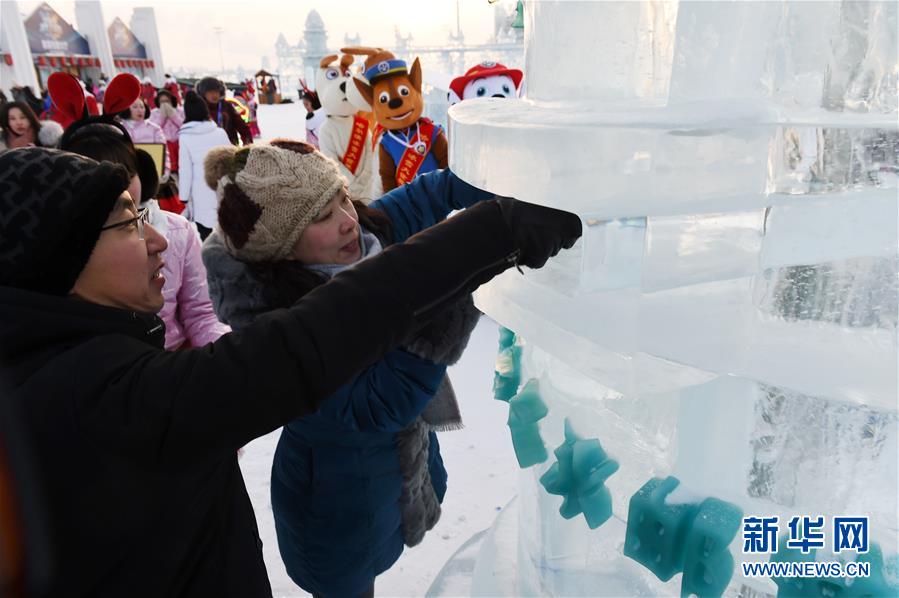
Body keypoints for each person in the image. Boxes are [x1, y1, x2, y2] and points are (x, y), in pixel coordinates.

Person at [0, 146, 580, 597]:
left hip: (392, 491)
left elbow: (425, 199)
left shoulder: (67, 364)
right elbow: (313, 344)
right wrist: (481, 256)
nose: (157, 240)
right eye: (127, 224)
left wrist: (529, 174)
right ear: (61, 256)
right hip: (338, 513)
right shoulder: (98, 399)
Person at [201, 140, 503, 597]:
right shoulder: (278, 332)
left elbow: (432, 194)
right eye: (321, 216)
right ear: (283, 249)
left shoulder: (364, 239)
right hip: (333, 503)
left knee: (377, 556)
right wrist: (459, 280)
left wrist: (513, 194)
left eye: (342, 196)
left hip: (394, 476)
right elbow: (382, 403)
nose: (347, 219)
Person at [61, 117, 230, 351]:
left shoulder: (177, 231)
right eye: (102, 177)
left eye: (128, 174)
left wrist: (223, 352)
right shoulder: (59, 247)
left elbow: (201, 313)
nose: (119, 187)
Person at [179, 91, 230, 239]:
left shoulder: (185, 136)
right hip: (223, 187)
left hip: (200, 191)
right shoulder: (220, 132)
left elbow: (185, 170)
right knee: (227, 232)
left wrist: (183, 197)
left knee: (207, 235)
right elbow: (231, 160)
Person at [118, 97, 170, 177]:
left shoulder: (154, 129)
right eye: (135, 107)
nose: (140, 110)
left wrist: (165, 171)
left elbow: (164, 152)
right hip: (128, 174)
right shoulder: (119, 128)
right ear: (127, 109)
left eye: (142, 107)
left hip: (151, 173)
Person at [196, 76, 252, 146]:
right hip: (207, 150)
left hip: (230, 148)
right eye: (210, 92)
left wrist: (247, 145)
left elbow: (242, 127)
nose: (214, 95)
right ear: (203, 93)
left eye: (216, 91)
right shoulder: (198, 109)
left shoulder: (226, 106)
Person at [149, 88, 184, 172]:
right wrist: (162, 117)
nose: (165, 104)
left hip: (180, 142)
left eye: (167, 101)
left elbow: (184, 125)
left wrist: (173, 116)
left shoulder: (180, 110)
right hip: (165, 143)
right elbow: (154, 128)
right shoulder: (154, 113)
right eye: (162, 102)